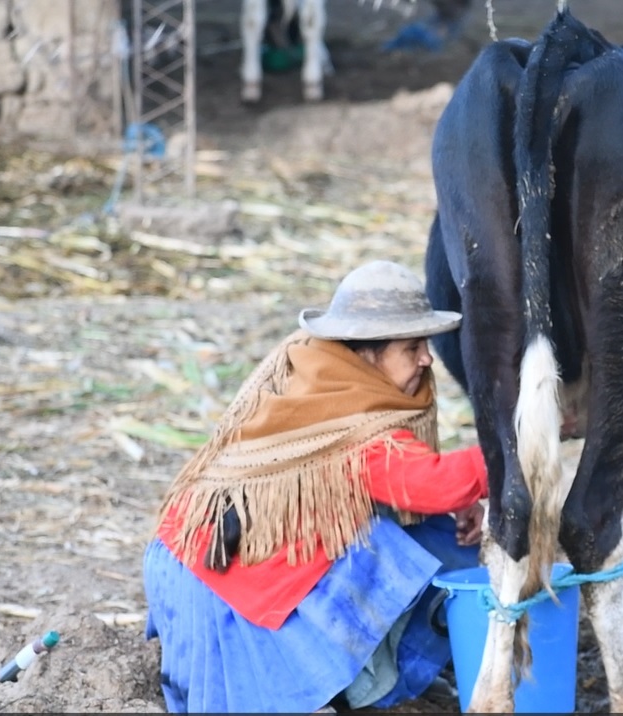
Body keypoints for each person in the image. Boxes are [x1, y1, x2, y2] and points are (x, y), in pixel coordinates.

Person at [143, 260, 488, 713]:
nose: (427, 358)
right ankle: (342, 683)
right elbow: (433, 484)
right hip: (212, 581)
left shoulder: (311, 371)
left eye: (426, 343)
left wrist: (463, 499)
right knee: (409, 546)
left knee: (425, 531)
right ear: (368, 353)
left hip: (190, 555)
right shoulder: (352, 424)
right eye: (412, 346)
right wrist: (518, 442)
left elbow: (425, 486)